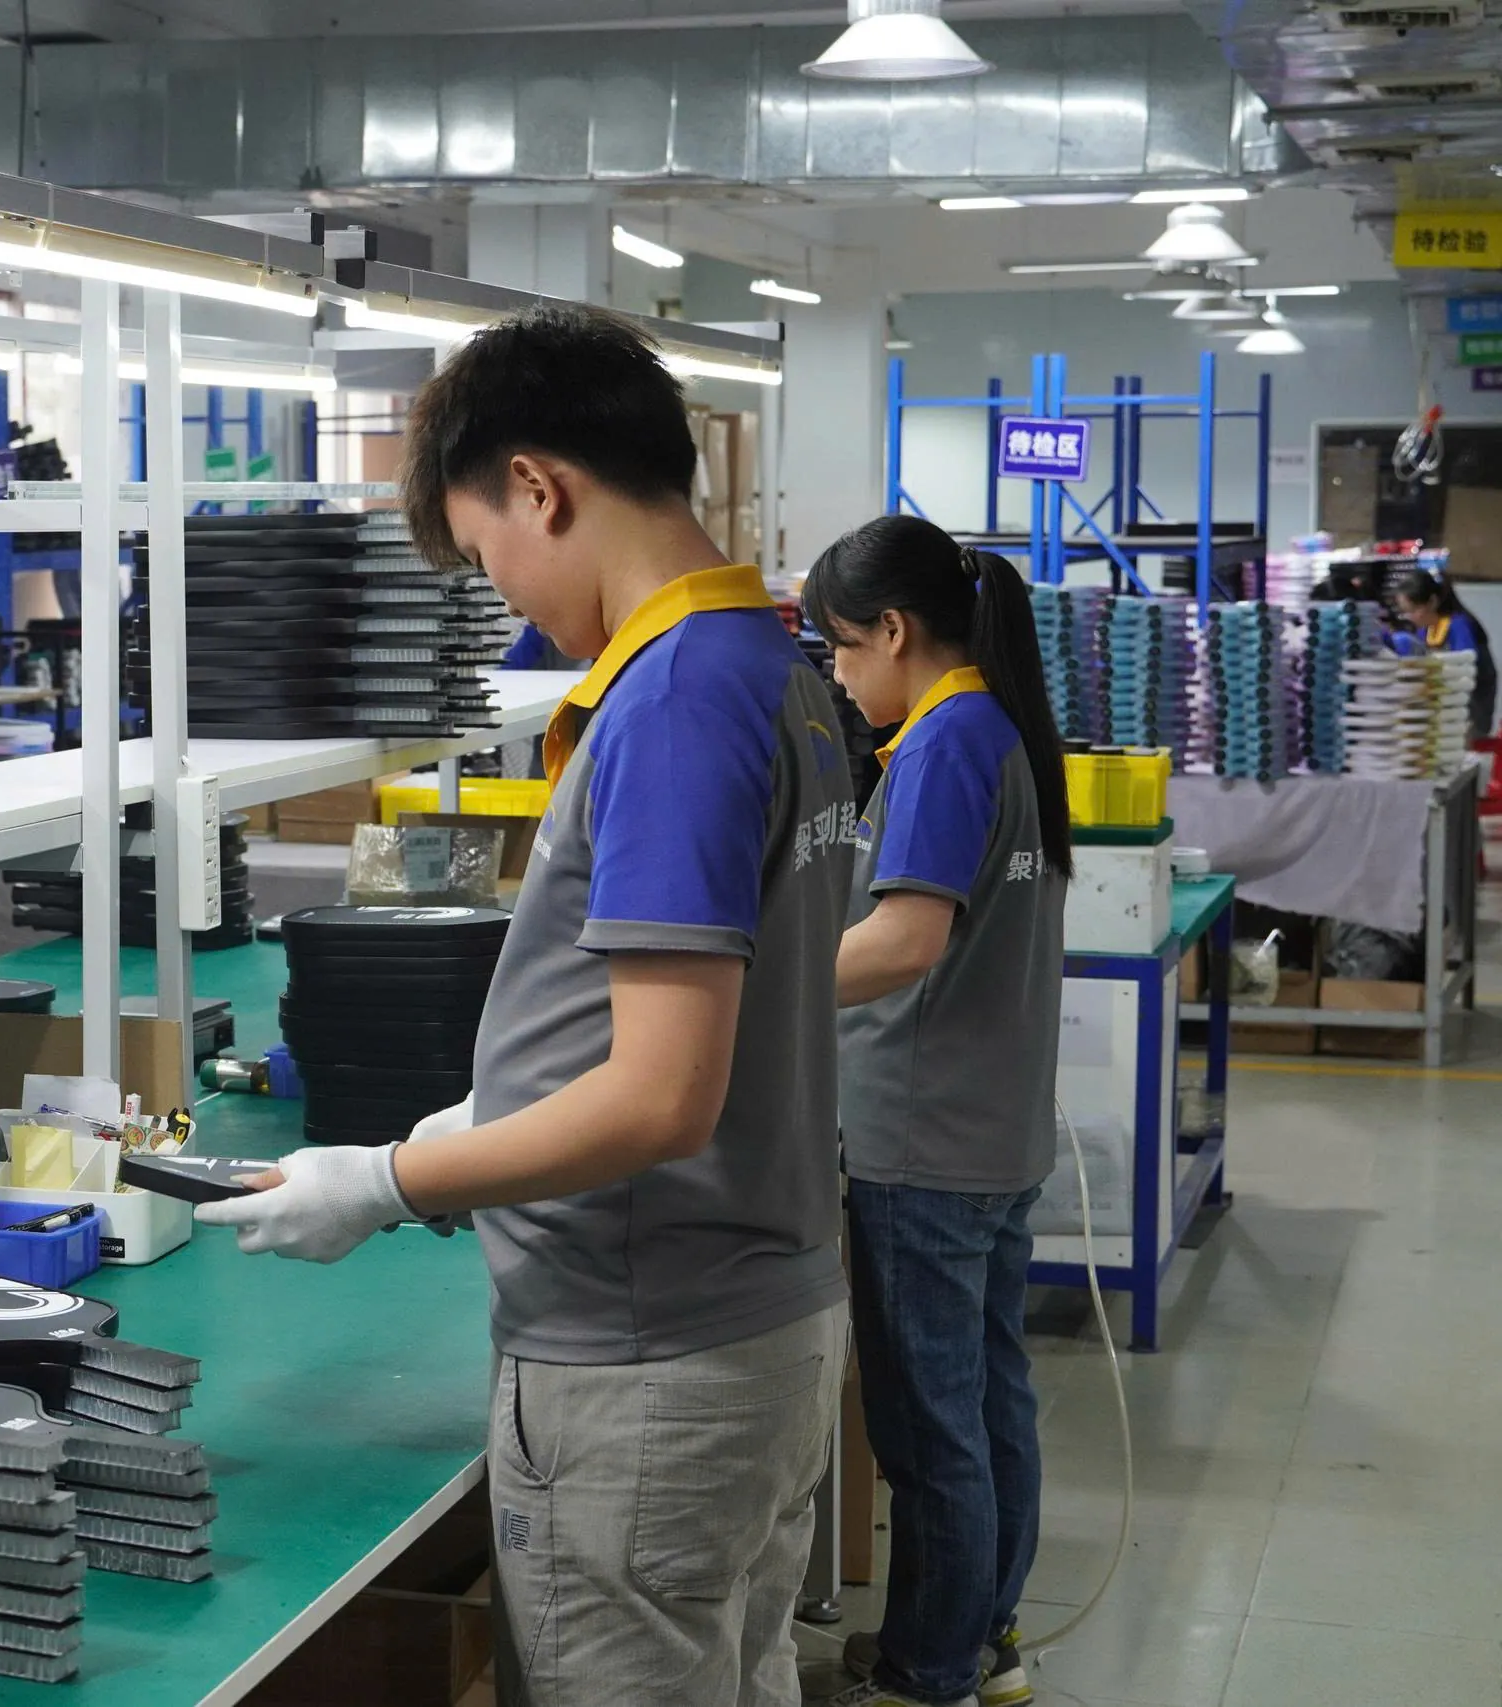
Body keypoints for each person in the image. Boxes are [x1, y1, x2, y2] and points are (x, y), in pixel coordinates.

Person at [197, 304, 855, 1707]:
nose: (504, 598)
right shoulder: (773, 668)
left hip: (647, 1351)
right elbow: (715, 1020)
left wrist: (385, 1180)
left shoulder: (672, 704)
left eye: (487, 550)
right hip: (760, 1315)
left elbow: (661, 1096)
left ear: (539, 487)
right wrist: (492, 1112)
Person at [801, 515, 1071, 1707]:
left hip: (923, 1142)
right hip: (993, 1130)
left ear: (896, 631)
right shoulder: (1000, 727)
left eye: (841, 648)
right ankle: (984, 1639)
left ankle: (929, 1670)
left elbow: (904, 941)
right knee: (989, 1406)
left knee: (928, 1431)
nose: (838, 675)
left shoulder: (945, 742)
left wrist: (753, 989)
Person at [1387, 566, 1495, 738]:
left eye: (1413, 610)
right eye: (1405, 612)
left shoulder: (1459, 626)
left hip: (1468, 710)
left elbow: (1466, 671)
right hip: (1440, 706)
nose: (1410, 617)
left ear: (1432, 602)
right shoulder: (1424, 630)